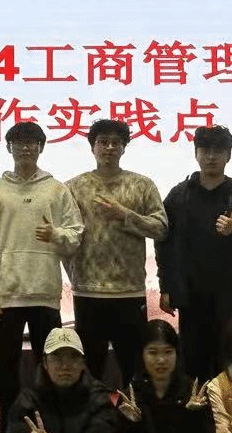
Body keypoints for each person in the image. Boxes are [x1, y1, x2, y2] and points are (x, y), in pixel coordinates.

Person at [0, 122, 84, 423]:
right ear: (9, 147)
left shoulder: (56, 190)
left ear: (41, 147)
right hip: (5, 297)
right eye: (19, 143)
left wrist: (56, 234)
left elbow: (76, 235)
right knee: (3, 372)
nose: (25, 148)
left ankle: (50, 429)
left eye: (32, 143)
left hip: (45, 294)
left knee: (50, 370)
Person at [156, 127, 232, 381]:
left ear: (228, 155)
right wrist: (166, 286)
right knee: (192, 364)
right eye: (205, 150)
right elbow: (165, 244)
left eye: (218, 151)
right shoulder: (179, 195)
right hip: (191, 297)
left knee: (230, 364)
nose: (211, 157)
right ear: (196, 153)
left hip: (231, 299)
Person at [65, 118, 168, 386]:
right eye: (103, 142)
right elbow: (65, 238)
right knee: (89, 372)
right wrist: (74, 275)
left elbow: (161, 228)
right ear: (93, 147)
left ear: (124, 147)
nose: (109, 148)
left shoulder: (142, 185)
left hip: (129, 292)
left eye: (115, 143)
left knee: (135, 370)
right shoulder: (73, 187)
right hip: (88, 293)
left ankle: (134, 414)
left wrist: (125, 215)